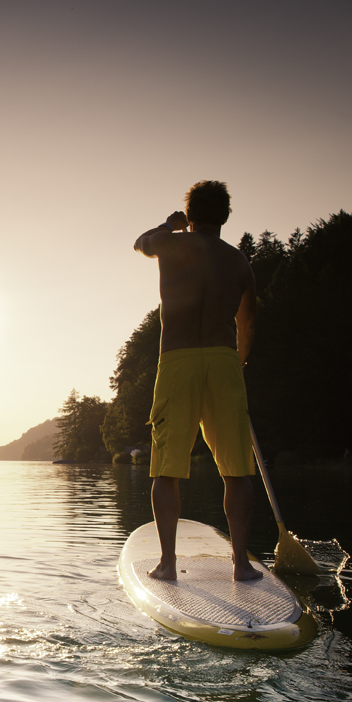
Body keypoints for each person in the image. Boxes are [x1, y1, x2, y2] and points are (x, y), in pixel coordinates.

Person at [133, 180, 260, 582]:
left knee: (165, 470)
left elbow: (141, 242)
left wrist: (169, 226)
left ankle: (168, 564)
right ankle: (241, 564)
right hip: (224, 360)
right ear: (224, 216)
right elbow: (249, 321)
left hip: (178, 359)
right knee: (237, 470)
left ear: (190, 215)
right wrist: (238, 360)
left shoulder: (171, 244)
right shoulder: (240, 262)